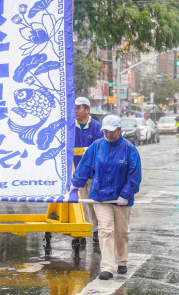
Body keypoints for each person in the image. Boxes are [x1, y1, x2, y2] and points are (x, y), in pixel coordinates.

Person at [70, 115, 142, 280]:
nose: (108, 135)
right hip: (100, 197)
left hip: (120, 199)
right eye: (105, 131)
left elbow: (134, 176)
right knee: (105, 230)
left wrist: (125, 194)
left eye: (111, 131)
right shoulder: (97, 146)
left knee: (121, 232)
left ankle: (121, 260)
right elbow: (85, 166)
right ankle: (107, 267)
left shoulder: (129, 149)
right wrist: (76, 183)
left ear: (119, 130)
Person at [74, 96, 103, 246]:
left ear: (87, 109)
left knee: (93, 202)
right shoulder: (70, 127)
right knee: (80, 203)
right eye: (74, 108)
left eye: (79, 108)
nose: (76, 111)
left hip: (93, 174)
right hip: (77, 174)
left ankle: (96, 229)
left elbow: (100, 151)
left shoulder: (97, 127)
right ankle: (81, 230)